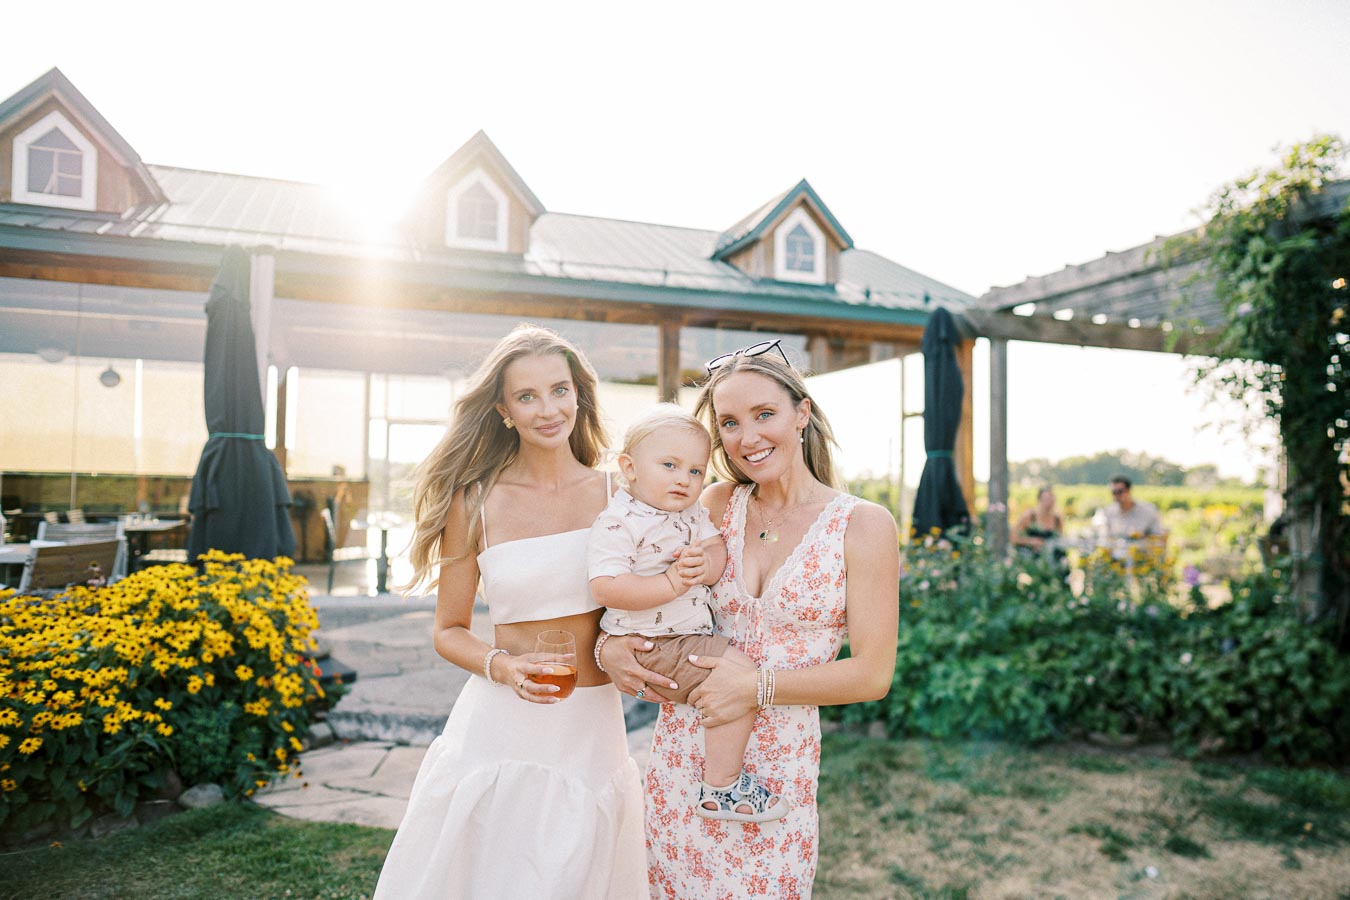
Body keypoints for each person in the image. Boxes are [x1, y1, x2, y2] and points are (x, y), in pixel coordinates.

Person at [600, 338, 900, 898]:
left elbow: (872, 674)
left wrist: (755, 686)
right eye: (730, 422)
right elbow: (628, 562)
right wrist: (608, 646)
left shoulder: (862, 525)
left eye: (765, 414)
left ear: (802, 413)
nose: (748, 437)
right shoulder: (711, 505)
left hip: (774, 780)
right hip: (682, 758)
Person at [373, 324, 646, 899]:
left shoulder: (618, 497)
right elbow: (447, 630)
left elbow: (647, 602)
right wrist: (502, 666)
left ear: (579, 394)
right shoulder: (472, 501)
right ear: (503, 409)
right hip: (498, 728)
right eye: (527, 396)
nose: (548, 409)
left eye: (559, 390)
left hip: (589, 728)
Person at [589, 404, 788, 824]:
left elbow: (715, 548)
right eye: (669, 465)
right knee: (737, 676)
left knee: (738, 677)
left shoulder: (691, 513)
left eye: (696, 471)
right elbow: (606, 586)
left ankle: (720, 780)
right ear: (629, 467)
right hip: (653, 642)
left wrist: (707, 564)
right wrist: (673, 585)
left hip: (683, 637)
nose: (684, 479)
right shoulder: (619, 521)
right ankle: (722, 785)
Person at [1093, 475, 1166, 548]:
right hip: (1114, 554)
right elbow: (1102, 536)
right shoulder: (1108, 512)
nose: (1116, 495)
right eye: (1113, 492)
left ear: (1129, 491)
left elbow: (1159, 537)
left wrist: (1143, 538)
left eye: (1120, 492)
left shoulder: (1148, 511)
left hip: (1141, 554)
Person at [1012, 485, 1066, 561]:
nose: (1049, 502)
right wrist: (1030, 541)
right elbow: (1013, 537)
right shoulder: (1029, 516)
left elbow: (1060, 539)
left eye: (1051, 499)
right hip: (1031, 557)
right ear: (1039, 500)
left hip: (1051, 558)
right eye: (1046, 499)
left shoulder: (1057, 519)